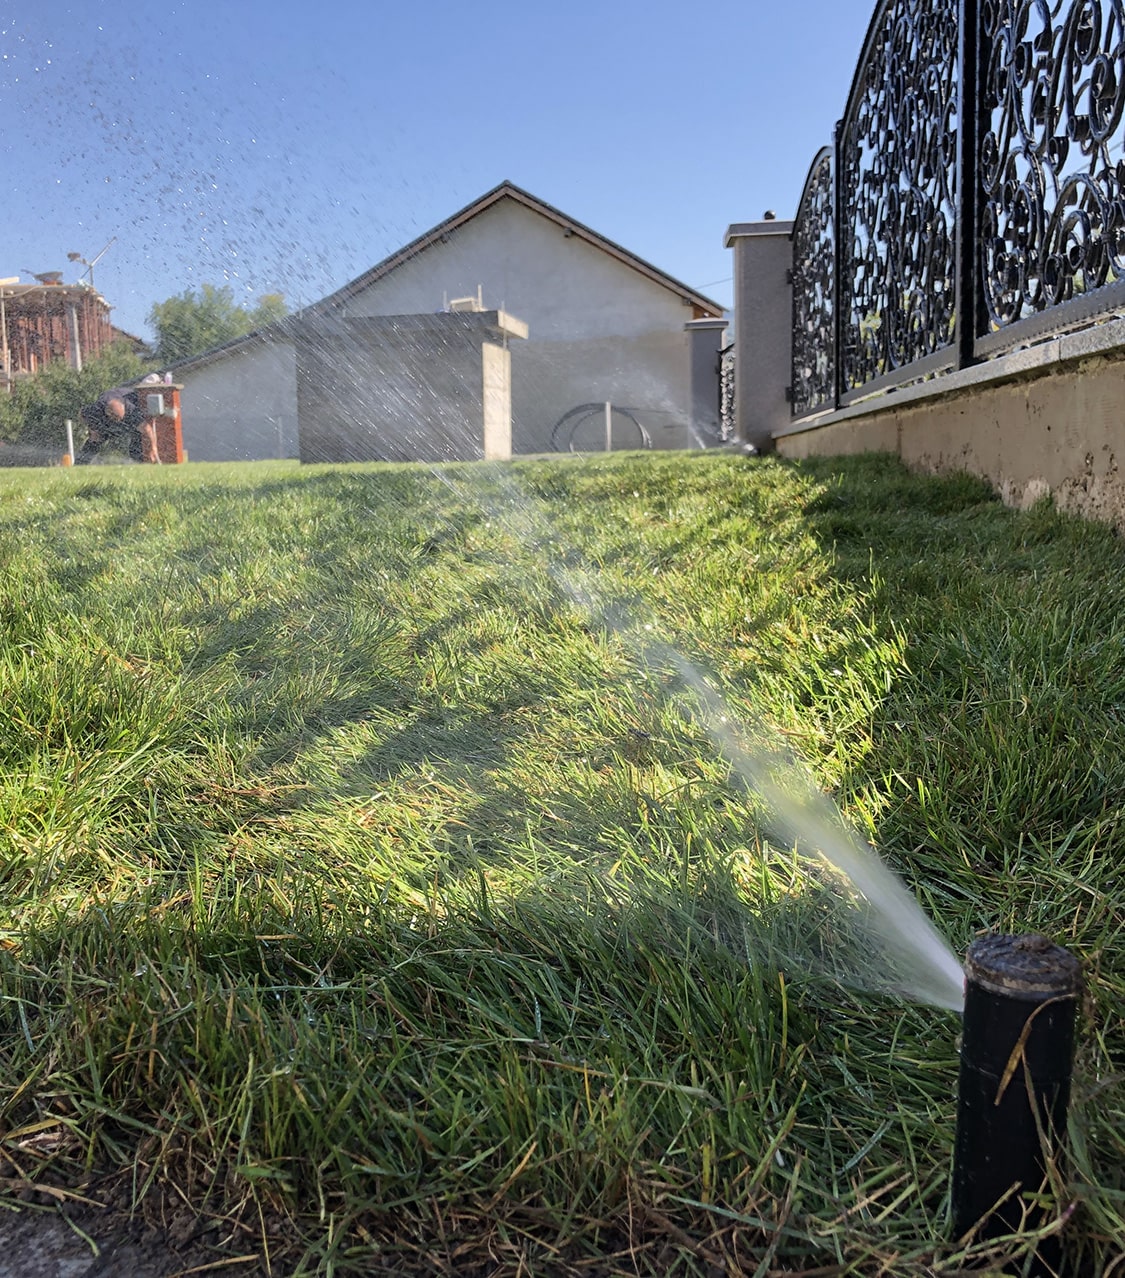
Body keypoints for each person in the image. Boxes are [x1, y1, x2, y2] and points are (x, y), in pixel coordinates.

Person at [75, 374, 162, 464]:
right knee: (95, 438)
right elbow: (81, 414)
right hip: (104, 420)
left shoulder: (131, 410)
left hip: (129, 421)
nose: (118, 420)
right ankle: (79, 464)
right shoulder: (97, 408)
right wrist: (91, 427)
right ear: (108, 412)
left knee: (136, 445)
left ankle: (141, 463)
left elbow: (147, 430)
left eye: (120, 418)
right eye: (116, 418)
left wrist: (153, 449)